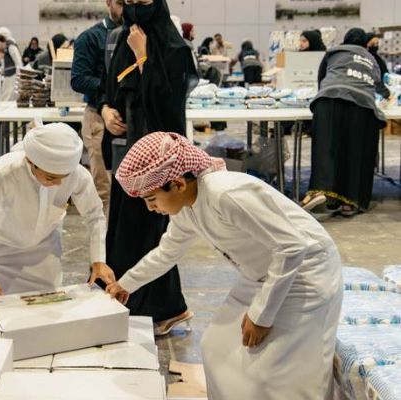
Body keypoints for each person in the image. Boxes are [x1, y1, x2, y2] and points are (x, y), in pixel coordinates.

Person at [106, 132, 343, 400]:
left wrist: (261, 315)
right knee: (216, 348)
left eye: (152, 199)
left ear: (178, 184)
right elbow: (166, 253)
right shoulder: (186, 208)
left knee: (277, 374)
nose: (151, 209)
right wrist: (125, 284)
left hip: (305, 274)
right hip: (262, 276)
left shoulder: (226, 193)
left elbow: (292, 247)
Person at [100, 0, 198, 335]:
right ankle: (127, 301)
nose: (134, 6)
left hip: (157, 157)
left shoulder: (172, 46)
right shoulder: (124, 38)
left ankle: (165, 309)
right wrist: (105, 110)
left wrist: (143, 56)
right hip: (127, 155)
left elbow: (168, 104)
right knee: (125, 231)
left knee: (151, 233)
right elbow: (110, 89)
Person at [0, 123, 111, 310]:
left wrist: (98, 259)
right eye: (50, 178)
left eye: (64, 177)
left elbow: (95, 215)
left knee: (46, 313)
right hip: (2, 255)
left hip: (45, 255)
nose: (58, 184)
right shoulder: (4, 173)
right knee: (2, 316)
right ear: (32, 162)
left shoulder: (77, 174)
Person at [302, 28, 391, 217]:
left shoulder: (333, 52)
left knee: (327, 149)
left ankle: (324, 193)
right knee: (355, 153)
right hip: (362, 105)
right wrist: (387, 95)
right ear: (365, 43)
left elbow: (321, 78)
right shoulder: (371, 58)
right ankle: (350, 203)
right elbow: (380, 85)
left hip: (328, 100)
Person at [71, 0, 123, 215]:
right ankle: (104, 245)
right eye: (121, 3)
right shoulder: (91, 37)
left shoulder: (140, 34)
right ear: (109, 2)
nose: (127, 9)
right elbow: (79, 79)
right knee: (105, 190)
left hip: (132, 117)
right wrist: (113, 86)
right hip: (99, 118)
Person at [0, 27, 22, 101]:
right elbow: (5, 61)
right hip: (8, 74)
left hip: (12, 74)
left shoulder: (11, 46)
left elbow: (18, 61)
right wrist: (0, 70)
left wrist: (19, 74)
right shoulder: (7, 46)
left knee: (8, 94)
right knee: (6, 93)